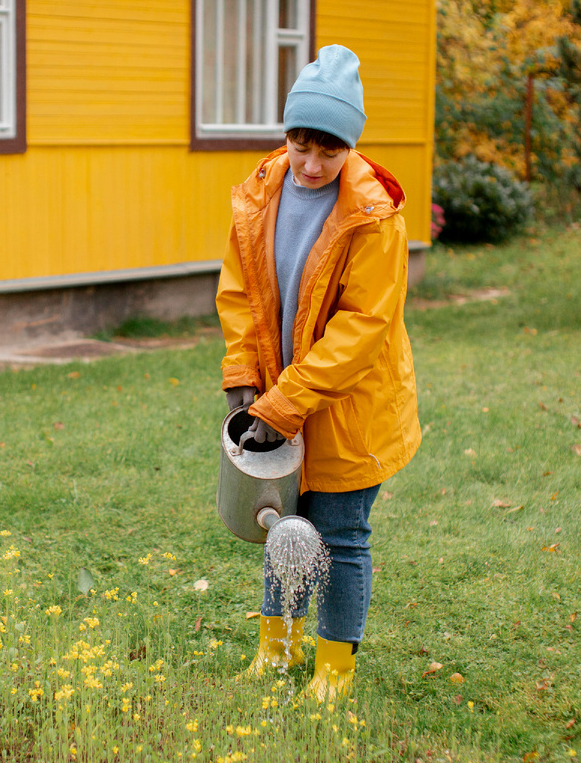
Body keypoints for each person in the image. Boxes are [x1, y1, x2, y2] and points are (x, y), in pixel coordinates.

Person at [215, 45, 421, 702]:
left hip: (348, 407)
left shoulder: (374, 213)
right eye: (301, 143)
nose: (311, 164)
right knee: (284, 526)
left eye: (328, 152)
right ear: (287, 133)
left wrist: (285, 405)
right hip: (279, 398)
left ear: (350, 148)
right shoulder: (261, 191)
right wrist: (245, 375)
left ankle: (335, 671)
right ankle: (277, 648)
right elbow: (242, 293)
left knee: (339, 536)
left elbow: (363, 328)